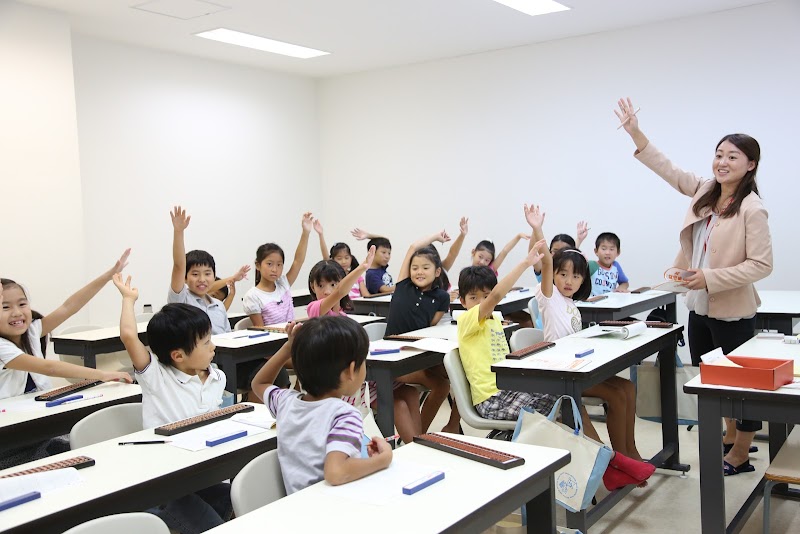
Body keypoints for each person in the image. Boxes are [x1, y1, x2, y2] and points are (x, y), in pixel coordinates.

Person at [616, 97, 773, 476]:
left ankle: (741, 453)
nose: (722, 162)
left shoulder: (753, 208)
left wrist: (710, 277)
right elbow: (668, 169)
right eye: (719, 154)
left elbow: (762, 265)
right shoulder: (705, 190)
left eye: (733, 157)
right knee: (711, 378)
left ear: (750, 165)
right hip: (699, 306)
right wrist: (636, 132)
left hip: (733, 311)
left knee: (742, 386)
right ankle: (727, 437)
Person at [527, 204, 649, 467]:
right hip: (560, 374)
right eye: (562, 275)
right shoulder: (549, 297)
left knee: (627, 387)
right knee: (617, 394)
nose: (568, 281)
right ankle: (624, 460)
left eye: (576, 276)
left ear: (583, 280)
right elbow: (546, 261)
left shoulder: (572, 302)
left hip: (577, 366)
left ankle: (630, 451)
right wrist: (537, 227)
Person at [114, 273, 233, 531]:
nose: (213, 347)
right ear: (178, 355)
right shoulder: (157, 377)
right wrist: (128, 299)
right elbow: (128, 336)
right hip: (162, 481)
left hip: (199, 470)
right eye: (205, 342)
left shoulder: (217, 377)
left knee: (237, 500)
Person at [0, 254, 134, 469]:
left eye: (22, 304)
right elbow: (50, 367)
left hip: (39, 416)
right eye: (5, 307)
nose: (17, 312)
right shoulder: (2, 347)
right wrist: (102, 375)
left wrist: (108, 276)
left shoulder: (33, 331)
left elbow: (69, 306)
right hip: (10, 432)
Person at [251, 317, 393, 494]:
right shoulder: (344, 415)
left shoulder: (286, 402)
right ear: (350, 371)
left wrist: (289, 348)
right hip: (332, 505)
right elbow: (336, 472)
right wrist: (383, 459)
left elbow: (259, 383)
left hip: (298, 504)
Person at [305, 246, 422, 443]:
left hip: (362, 377)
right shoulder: (315, 311)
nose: (327, 291)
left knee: (410, 392)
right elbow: (341, 291)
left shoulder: (343, 315)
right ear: (312, 287)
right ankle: (411, 450)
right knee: (398, 405)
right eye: (321, 286)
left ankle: (419, 445)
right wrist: (362, 268)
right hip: (342, 385)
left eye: (333, 285)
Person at [456, 236, 557, 422]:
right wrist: (525, 263)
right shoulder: (466, 320)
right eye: (473, 298)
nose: (481, 303)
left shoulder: (494, 319)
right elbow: (495, 297)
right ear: (462, 301)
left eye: (485, 296)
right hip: (491, 399)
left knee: (561, 396)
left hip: (509, 388)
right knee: (548, 409)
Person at [385, 231, 460, 434]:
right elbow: (412, 248)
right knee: (442, 386)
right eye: (415, 268)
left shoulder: (442, 297)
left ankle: (450, 426)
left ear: (437, 272)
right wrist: (435, 237)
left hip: (420, 353)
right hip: (395, 356)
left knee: (461, 373)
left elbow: (431, 327)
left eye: (425, 268)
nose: (419, 272)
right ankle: (420, 436)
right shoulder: (402, 286)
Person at [243, 212, 314, 327]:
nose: (275, 269)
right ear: (258, 265)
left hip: (292, 336)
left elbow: (298, 261)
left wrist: (305, 233)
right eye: (269, 264)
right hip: (274, 342)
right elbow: (261, 330)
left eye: (279, 265)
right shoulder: (252, 296)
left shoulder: (283, 284)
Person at [168, 206, 231, 335]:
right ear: (185, 278)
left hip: (220, 353)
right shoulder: (181, 300)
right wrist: (179, 231)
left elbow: (228, 337)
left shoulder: (219, 306)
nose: (202, 279)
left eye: (207, 273)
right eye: (195, 274)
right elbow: (179, 265)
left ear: (214, 276)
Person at [313, 219, 368, 299]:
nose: (343, 261)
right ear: (333, 260)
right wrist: (321, 235)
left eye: (346, 258)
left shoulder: (357, 276)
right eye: (339, 258)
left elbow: (366, 296)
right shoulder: (334, 278)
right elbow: (326, 258)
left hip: (358, 308)